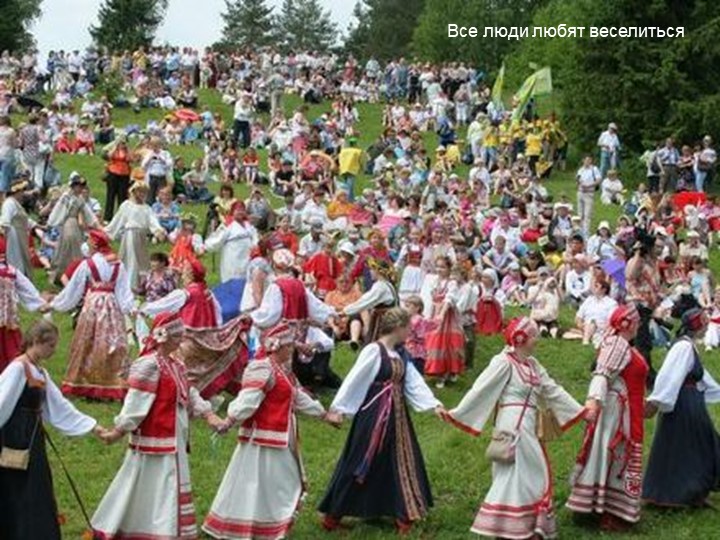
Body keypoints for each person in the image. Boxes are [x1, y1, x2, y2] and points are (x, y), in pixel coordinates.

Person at [445, 317, 584, 539]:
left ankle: (519, 525)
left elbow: (552, 390)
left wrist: (580, 411)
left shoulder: (533, 365)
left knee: (532, 473)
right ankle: (512, 527)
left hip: (529, 424)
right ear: (520, 338)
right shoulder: (503, 362)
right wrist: (457, 413)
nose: (537, 340)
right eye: (533, 336)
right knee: (517, 473)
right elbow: (480, 389)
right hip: (511, 426)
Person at [91, 312, 225, 539]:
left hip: (173, 438)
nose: (181, 339)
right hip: (155, 437)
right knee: (148, 483)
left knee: (165, 484)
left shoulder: (176, 365)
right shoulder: (149, 365)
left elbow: (189, 392)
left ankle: (165, 530)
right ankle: (145, 529)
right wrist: (119, 430)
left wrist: (208, 413)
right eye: (177, 335)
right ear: (165, 337)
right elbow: (136, 402)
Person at [319, 307, 445, 535]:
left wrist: (433, 404)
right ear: (398, 328)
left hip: (397, 416)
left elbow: (413, 382)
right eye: (408, 327)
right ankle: (333, 515)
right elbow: (354, 380)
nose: (410, 331)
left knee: (398, 459)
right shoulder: (374, 351)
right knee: (361, 458)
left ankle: (402, 512)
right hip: (375, 414)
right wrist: (339, 409)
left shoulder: (400, 354)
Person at [203, 322, 332, 540]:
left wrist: (322, 414)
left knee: (269, 482)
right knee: (265, 482)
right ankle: (257, 524)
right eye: (289, 346)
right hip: (263, 438)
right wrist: (231, 419)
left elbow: (296, 397)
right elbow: (248, 400)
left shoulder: (281, 371)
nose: (292, 350)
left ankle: (266, 524)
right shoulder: (262, 368)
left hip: (277, 437)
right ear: (277, 347)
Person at [0, 320, 105, 540]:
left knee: (36, 486)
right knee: (16, 488)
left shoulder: (40, 373)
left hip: (31, 438)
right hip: (13, 439)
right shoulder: (18, 368)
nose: (54, 350)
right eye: (51, 346)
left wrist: (93, 426)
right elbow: (2, 403)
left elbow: (59, 406)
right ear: (36, 342)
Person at [566, 304, 647, 531]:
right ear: (626, 324)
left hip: (626, 409)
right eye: (637, 321)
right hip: (615, 413)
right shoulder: (617, 343)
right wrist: (594, 400)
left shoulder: (625, 346)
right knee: (612, 453)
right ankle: (604, 511)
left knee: (615, 455)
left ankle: (606, 508)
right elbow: (602, 373)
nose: (639, 325)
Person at [642, 306, 720, 507]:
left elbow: (702, 377)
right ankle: (680, 494)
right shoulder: (683, 347)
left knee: (696, 445)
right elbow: (670, 375)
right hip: (683, 405)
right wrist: (657, 400)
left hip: (691, 402)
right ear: (699, 325)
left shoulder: (688, 346)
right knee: (692, 447)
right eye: (704, 321)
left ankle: (693, 492)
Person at [50, 229, 133, 400]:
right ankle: (110, 382)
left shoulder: (88, 264)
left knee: (87, 341)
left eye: (89, 241)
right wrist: (128, 307)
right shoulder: (118, 263)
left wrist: (55, 304)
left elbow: (73, 289)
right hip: (111, 305)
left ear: (94, 244)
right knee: (110, 342)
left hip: (93, 304)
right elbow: (124, 291)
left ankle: (84, 383)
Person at [106, 182, 166, 289]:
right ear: (134, 192)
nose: (142, 194)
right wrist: (107, 232)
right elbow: (118, 220)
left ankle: (140, 283)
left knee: (141, 259)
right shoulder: (127, 205)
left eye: (144, 192)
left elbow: (152, 220)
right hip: (130, 234)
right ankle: (129, 284)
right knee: (131, 258)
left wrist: (158, 230)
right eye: (140, 191)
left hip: (141, 236)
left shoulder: (146, 208)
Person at [0, 235, 48, 372]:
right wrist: (40, 303)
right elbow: (27, 289)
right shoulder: (11, 272)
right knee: (12, 350)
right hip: (8, 321)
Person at [47, 171, 97, 280]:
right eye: (78, 186)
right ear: (73, 186)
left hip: (75, 225)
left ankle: (74, 273)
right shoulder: (67, 196)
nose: (80, 189)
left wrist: (95, 224)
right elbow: (58, 210)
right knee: (68, 244)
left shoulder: (79, 198)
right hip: (68, 222)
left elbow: (88, 213)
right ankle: (61, 273)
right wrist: (52, 222)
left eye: (81, 186)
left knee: (76, 245)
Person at [205, 201, 258, 283]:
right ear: (233, 212)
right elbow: (218, 239)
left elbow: (255, 237)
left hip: (247, 257)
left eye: (242, 210)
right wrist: (206, 246)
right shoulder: (227, 224)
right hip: (233, 258)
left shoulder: (248, 225)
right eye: (238, 210)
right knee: (233, 279)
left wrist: (255, 246)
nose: (240, 212)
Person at [0, 178, 34, 276]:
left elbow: (26, 220)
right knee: (16, 258)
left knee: (22, 258)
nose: (23, 193)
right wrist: (5, 237)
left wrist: (39, 226)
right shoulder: (9, 203)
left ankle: (22, 278)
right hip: (14, 235)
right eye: (22, 191)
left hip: (20, 235)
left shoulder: (16, 203)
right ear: (17, 192)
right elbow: (5, 221)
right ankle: (17, 279)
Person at [102, 137, 132, 222]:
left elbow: (130, 159)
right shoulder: (114, 150)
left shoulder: (126, 151)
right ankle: (108, 217)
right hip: (113, 173)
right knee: (110, 195)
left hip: (124, 174)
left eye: (124, 143)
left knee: (122, 196)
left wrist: (127, 148)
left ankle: (122, 217)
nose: (122, 144)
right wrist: (115, 146)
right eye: (121, 143)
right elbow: (109, 156)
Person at [576, 155, 602, 236]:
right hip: (580, 192)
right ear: (583, 161)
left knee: (587, 214)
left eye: (589, 160)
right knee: (580, 213)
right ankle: (579, 230)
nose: (587, 162)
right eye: (586, 160)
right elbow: (577, 179)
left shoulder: (594, 169)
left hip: (589, 193)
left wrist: (589, 185)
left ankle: (586, 232)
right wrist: (580, 184)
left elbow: (598, 180)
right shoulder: (581, 170)